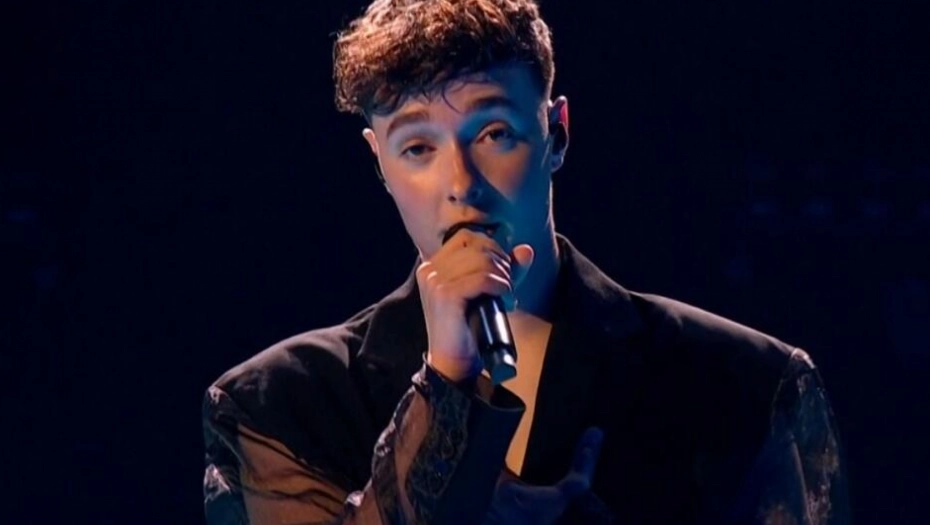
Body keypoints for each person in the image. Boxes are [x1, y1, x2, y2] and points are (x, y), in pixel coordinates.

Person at [201, 0, 850, 523]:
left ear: (555, 132)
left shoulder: (746, 386)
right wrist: (446, 382)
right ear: (380, 163)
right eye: (418, 147)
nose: (461, 184)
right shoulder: (282, 403)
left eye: (494, 134)